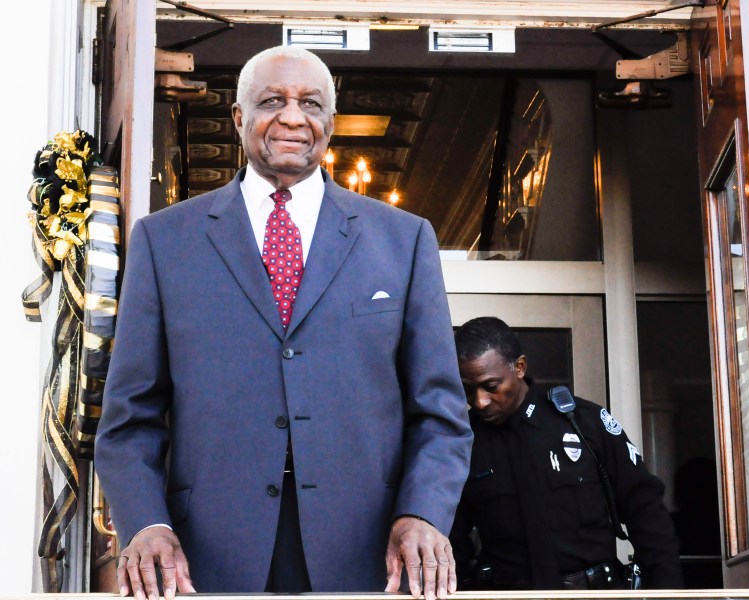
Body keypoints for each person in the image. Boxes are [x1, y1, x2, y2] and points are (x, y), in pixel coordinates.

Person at [94, 45, 472, 600]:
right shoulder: (164, 240)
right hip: (205, 559)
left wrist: (422, 513)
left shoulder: (404, 239)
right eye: (272, 101)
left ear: (331, 122)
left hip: (367, 552)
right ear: (238, 117)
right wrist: (147, 523)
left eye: (310, 104)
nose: (293, 117)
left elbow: (440, 414)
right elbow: (130, 418)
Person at [450, 316, 682, 590]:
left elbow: (646, 512)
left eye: (491, 387)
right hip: (508, 594)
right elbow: (451, 539)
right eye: (468, 389)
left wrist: (667, 592)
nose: (480, 401)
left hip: (592, 595)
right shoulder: (463, 441)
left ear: (520, 367)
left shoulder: (584, 423)